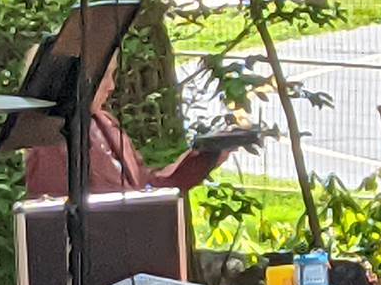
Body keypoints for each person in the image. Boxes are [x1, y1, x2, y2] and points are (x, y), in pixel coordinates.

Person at [23, 49, 229, 197]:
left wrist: (206, 156)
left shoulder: (106, 124)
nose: (112, 86)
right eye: (104, 76)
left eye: (112, 75)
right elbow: (57, 217)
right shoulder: (48, 140)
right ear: (72, 80)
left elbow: (145, 187)